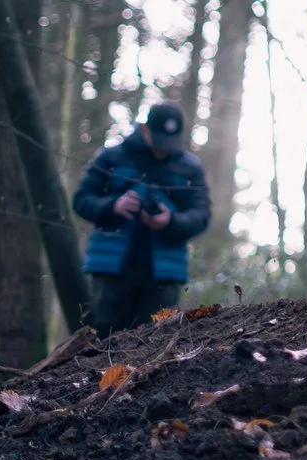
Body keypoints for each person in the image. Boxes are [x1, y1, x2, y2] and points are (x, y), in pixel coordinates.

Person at [71, 101, 212, 335]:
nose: (163, 149)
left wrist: (171, 221)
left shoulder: (190, 168)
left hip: (164, 275)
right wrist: (113, 206)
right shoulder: (111, 158)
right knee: (106, 339)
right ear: (144, 129)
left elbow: (201, 215)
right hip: (111, 271)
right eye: (158, 141)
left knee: (156, 339)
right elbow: (82, 200)